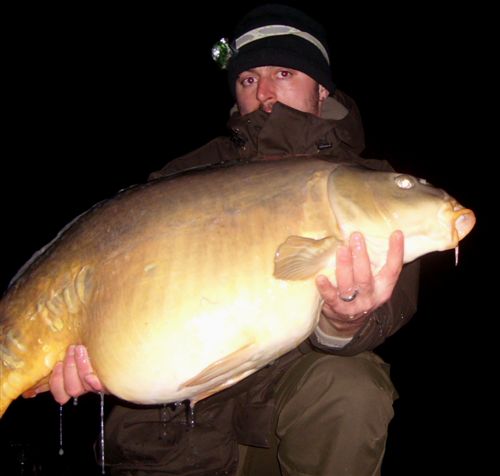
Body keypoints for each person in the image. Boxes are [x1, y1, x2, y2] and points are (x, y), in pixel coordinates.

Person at [41, 4, 421, 475]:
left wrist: (342, 321)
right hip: (175, 431)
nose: (264, 93)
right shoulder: (180, 179)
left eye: (283, 73)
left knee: (351, 388)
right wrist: (100, 359)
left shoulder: (369, 188)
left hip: (280, 421)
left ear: (322, 90)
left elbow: (383, 313)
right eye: (247, 79)